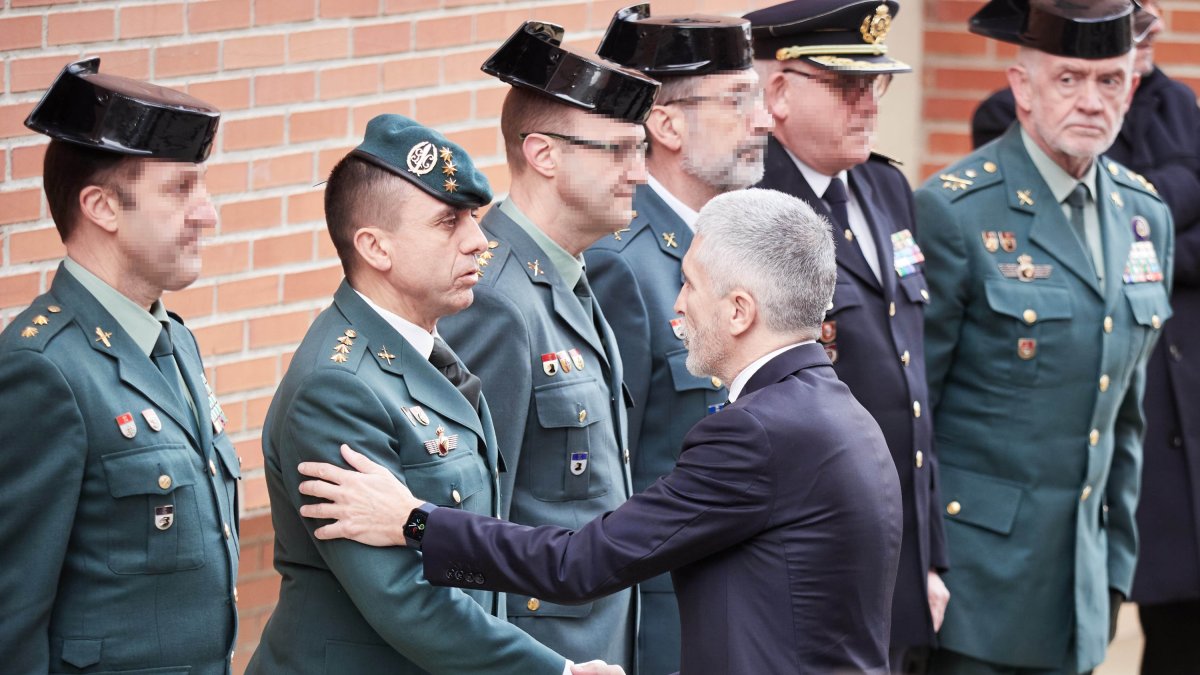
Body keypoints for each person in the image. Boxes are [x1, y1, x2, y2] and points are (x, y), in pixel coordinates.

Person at [294, 188, 905, 674]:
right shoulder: (834, 410)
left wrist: (414, 521)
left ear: (740, 310)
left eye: (690, 284)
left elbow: (580, 564)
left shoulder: (758, 433)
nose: (677, 307)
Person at [244, 115, 621, 675]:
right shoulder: (338, 387)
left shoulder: (427, 352)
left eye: (473, 217)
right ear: (375, 247)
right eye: (448, 223)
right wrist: (553, 671)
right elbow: (403, 596)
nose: (478, 241)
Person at [913, 1, 1175, 673]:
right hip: (972, 593)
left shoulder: (1145, 215)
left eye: (1110, 80)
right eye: (1068, 79)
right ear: (1021, 88)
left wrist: (1115, 567)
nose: (1091, 100)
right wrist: (916, 566)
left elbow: (1127, 418)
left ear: (1132, 87)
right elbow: (913, 416)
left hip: (1081, 591)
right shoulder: (956, 210)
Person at [0, 58, 240, 674]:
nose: (208, 214)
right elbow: (10, 618)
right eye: (181, 189)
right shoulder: (42, 370)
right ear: (102, 207)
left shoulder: (171, 341)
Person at [432, 21, 659, 671]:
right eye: (617, 150)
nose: (638, 173)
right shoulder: (496, 299)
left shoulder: (569, 274)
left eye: (638, 149)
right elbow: (470, 521)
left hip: (594, 643)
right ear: (544, 154)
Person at [744, 1, 949, 671]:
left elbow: (912, 386)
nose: (868, 103)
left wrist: (931, 553)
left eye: (876, 83)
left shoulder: (884, 187)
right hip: (812, 558)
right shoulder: (754, 210)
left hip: (896, 546)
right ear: (778, 91)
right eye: (845, 85)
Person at [582, 6, 770, 672]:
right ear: (665, 124)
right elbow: (609, 479)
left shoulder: (732, 241)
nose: (764, 118)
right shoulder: (623, 263)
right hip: (661, 622)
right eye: (737, 99)